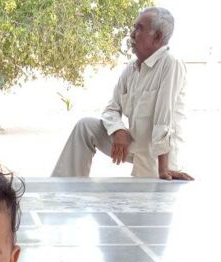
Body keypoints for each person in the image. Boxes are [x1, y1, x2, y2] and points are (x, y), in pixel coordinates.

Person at [52, 7, 193, 180]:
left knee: (149, 192)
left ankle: (159, 174)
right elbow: (111, 109)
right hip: (135, 145)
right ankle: (63, 187)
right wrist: (117, 130)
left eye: (139, 28)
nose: (132, 34)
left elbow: (163, 120)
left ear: (157, 37)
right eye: (134, 28)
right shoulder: (132, 68)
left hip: (159, 158)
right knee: (85, 127)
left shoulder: (170, 64)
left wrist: (164, 169)